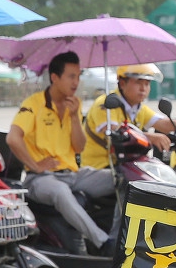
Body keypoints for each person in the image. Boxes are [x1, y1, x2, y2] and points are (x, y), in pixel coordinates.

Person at [7, 52, 115, 254]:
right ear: (54, 77)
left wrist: (74, 117)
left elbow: (80, 147)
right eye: (71, 76)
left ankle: (120, 235)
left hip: (73, 174)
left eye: (78, 75)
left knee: (119, 179)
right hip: (40, 179)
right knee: (61, 192)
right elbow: (13, 138)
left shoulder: (74, 104)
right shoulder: (34, 104)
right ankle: (104, 243)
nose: (77, 82)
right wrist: (36, 165)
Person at [82, 64, 176, 170]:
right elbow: (114, 134)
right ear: (122, 83)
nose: (143, 88)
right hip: (101, 168)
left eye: (147, 83)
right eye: (138, 82)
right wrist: (151, 137)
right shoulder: (106, 104)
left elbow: (164, 123)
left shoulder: (138, 107)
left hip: (127, 165)